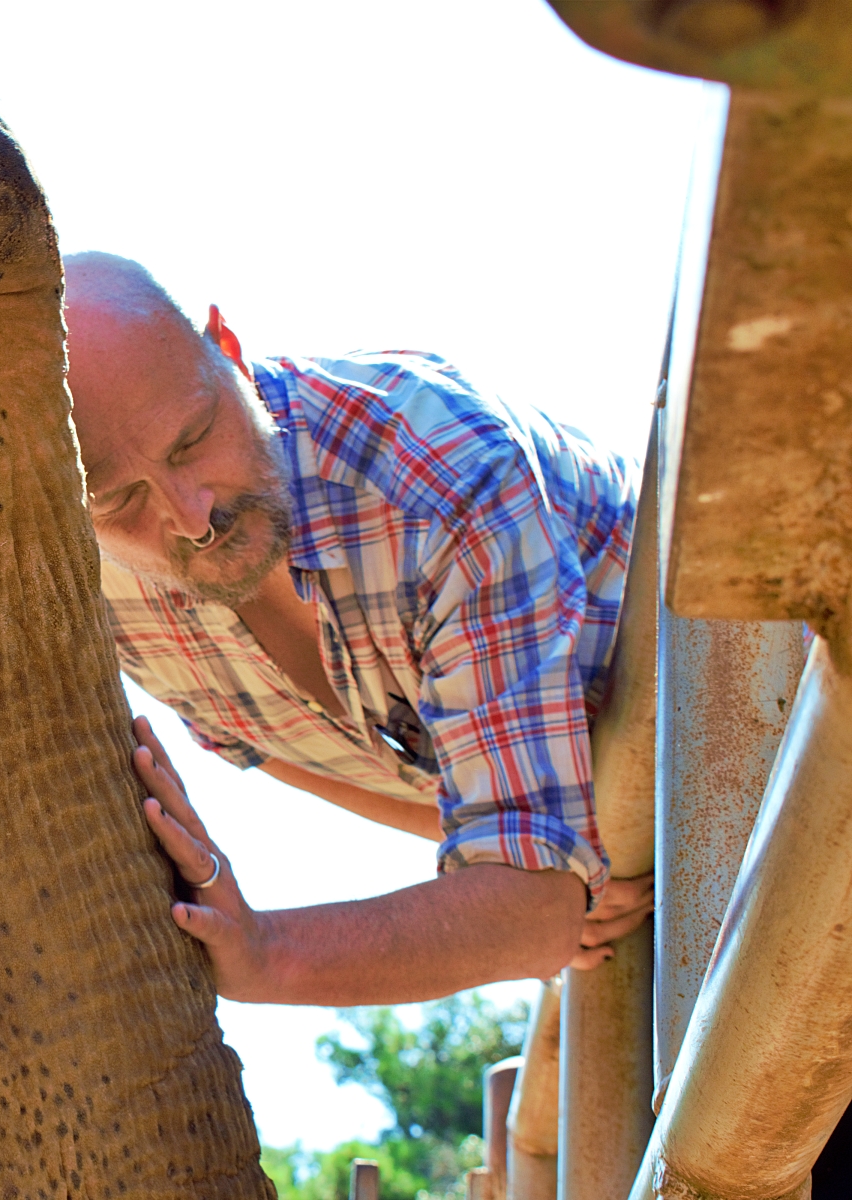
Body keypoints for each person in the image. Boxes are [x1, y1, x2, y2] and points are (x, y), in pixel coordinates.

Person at [65, 252, 655, 1006]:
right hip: (647, 890)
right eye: (121, 501)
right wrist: (526, 861)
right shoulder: (97, 602)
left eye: (194, 440)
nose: (191, 515)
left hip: (783, 728)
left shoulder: (439, 464)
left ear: (230, 349)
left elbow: (538, 909)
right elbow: (265, 747)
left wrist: (268, 953)